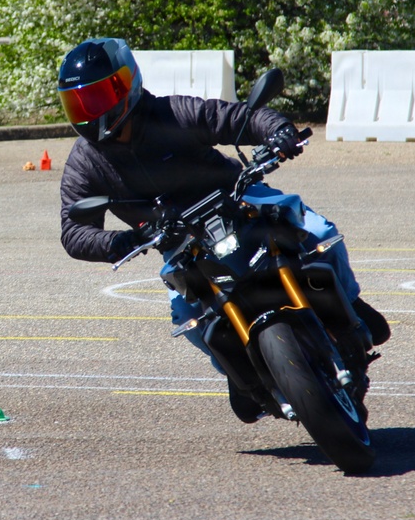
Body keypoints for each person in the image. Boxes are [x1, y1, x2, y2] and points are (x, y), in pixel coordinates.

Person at [56, 37, 390, 422]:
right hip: (179, 240)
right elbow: (73, 229)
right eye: (80, 102)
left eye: (99, 96)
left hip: (238, 199)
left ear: (127, 82)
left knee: (316, 229)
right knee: (187, 319)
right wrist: (125, 239)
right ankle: (242, 373)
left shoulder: (172, 113)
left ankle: (352, 305)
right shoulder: (86, 161)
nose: (91, 111)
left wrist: (277, 132)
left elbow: (235, 118)